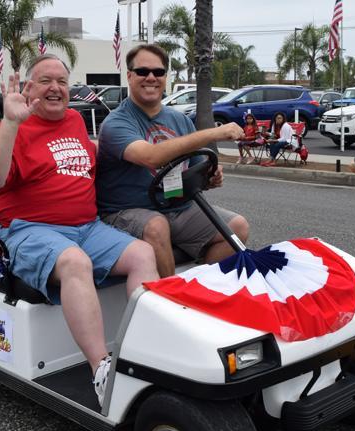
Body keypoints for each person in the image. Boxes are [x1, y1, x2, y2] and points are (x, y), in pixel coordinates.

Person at [0, 55, 159, 405]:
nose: (56, 88)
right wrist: (10, 124)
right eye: (46, 81)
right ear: (29, 88)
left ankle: (143, 352)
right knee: (75, 262)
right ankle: (101, 369)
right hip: (28, 230)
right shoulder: (14, 126)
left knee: (142, 253)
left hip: (86, 227)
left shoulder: (75, 119)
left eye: (62, 81)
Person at [96, 43, 249, 279]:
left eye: (158, 72)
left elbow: (195, 171)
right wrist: (214, 132)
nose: (151, 78)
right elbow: (151, 156)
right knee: (156, 225)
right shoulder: (116, 123)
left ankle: (203, 289)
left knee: (237, 227)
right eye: (142, 71)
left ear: (165, 77)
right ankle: (172, 301)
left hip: (177, 206)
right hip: (125, 212)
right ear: (129, 75)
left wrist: (210, 177)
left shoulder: (179, 120)